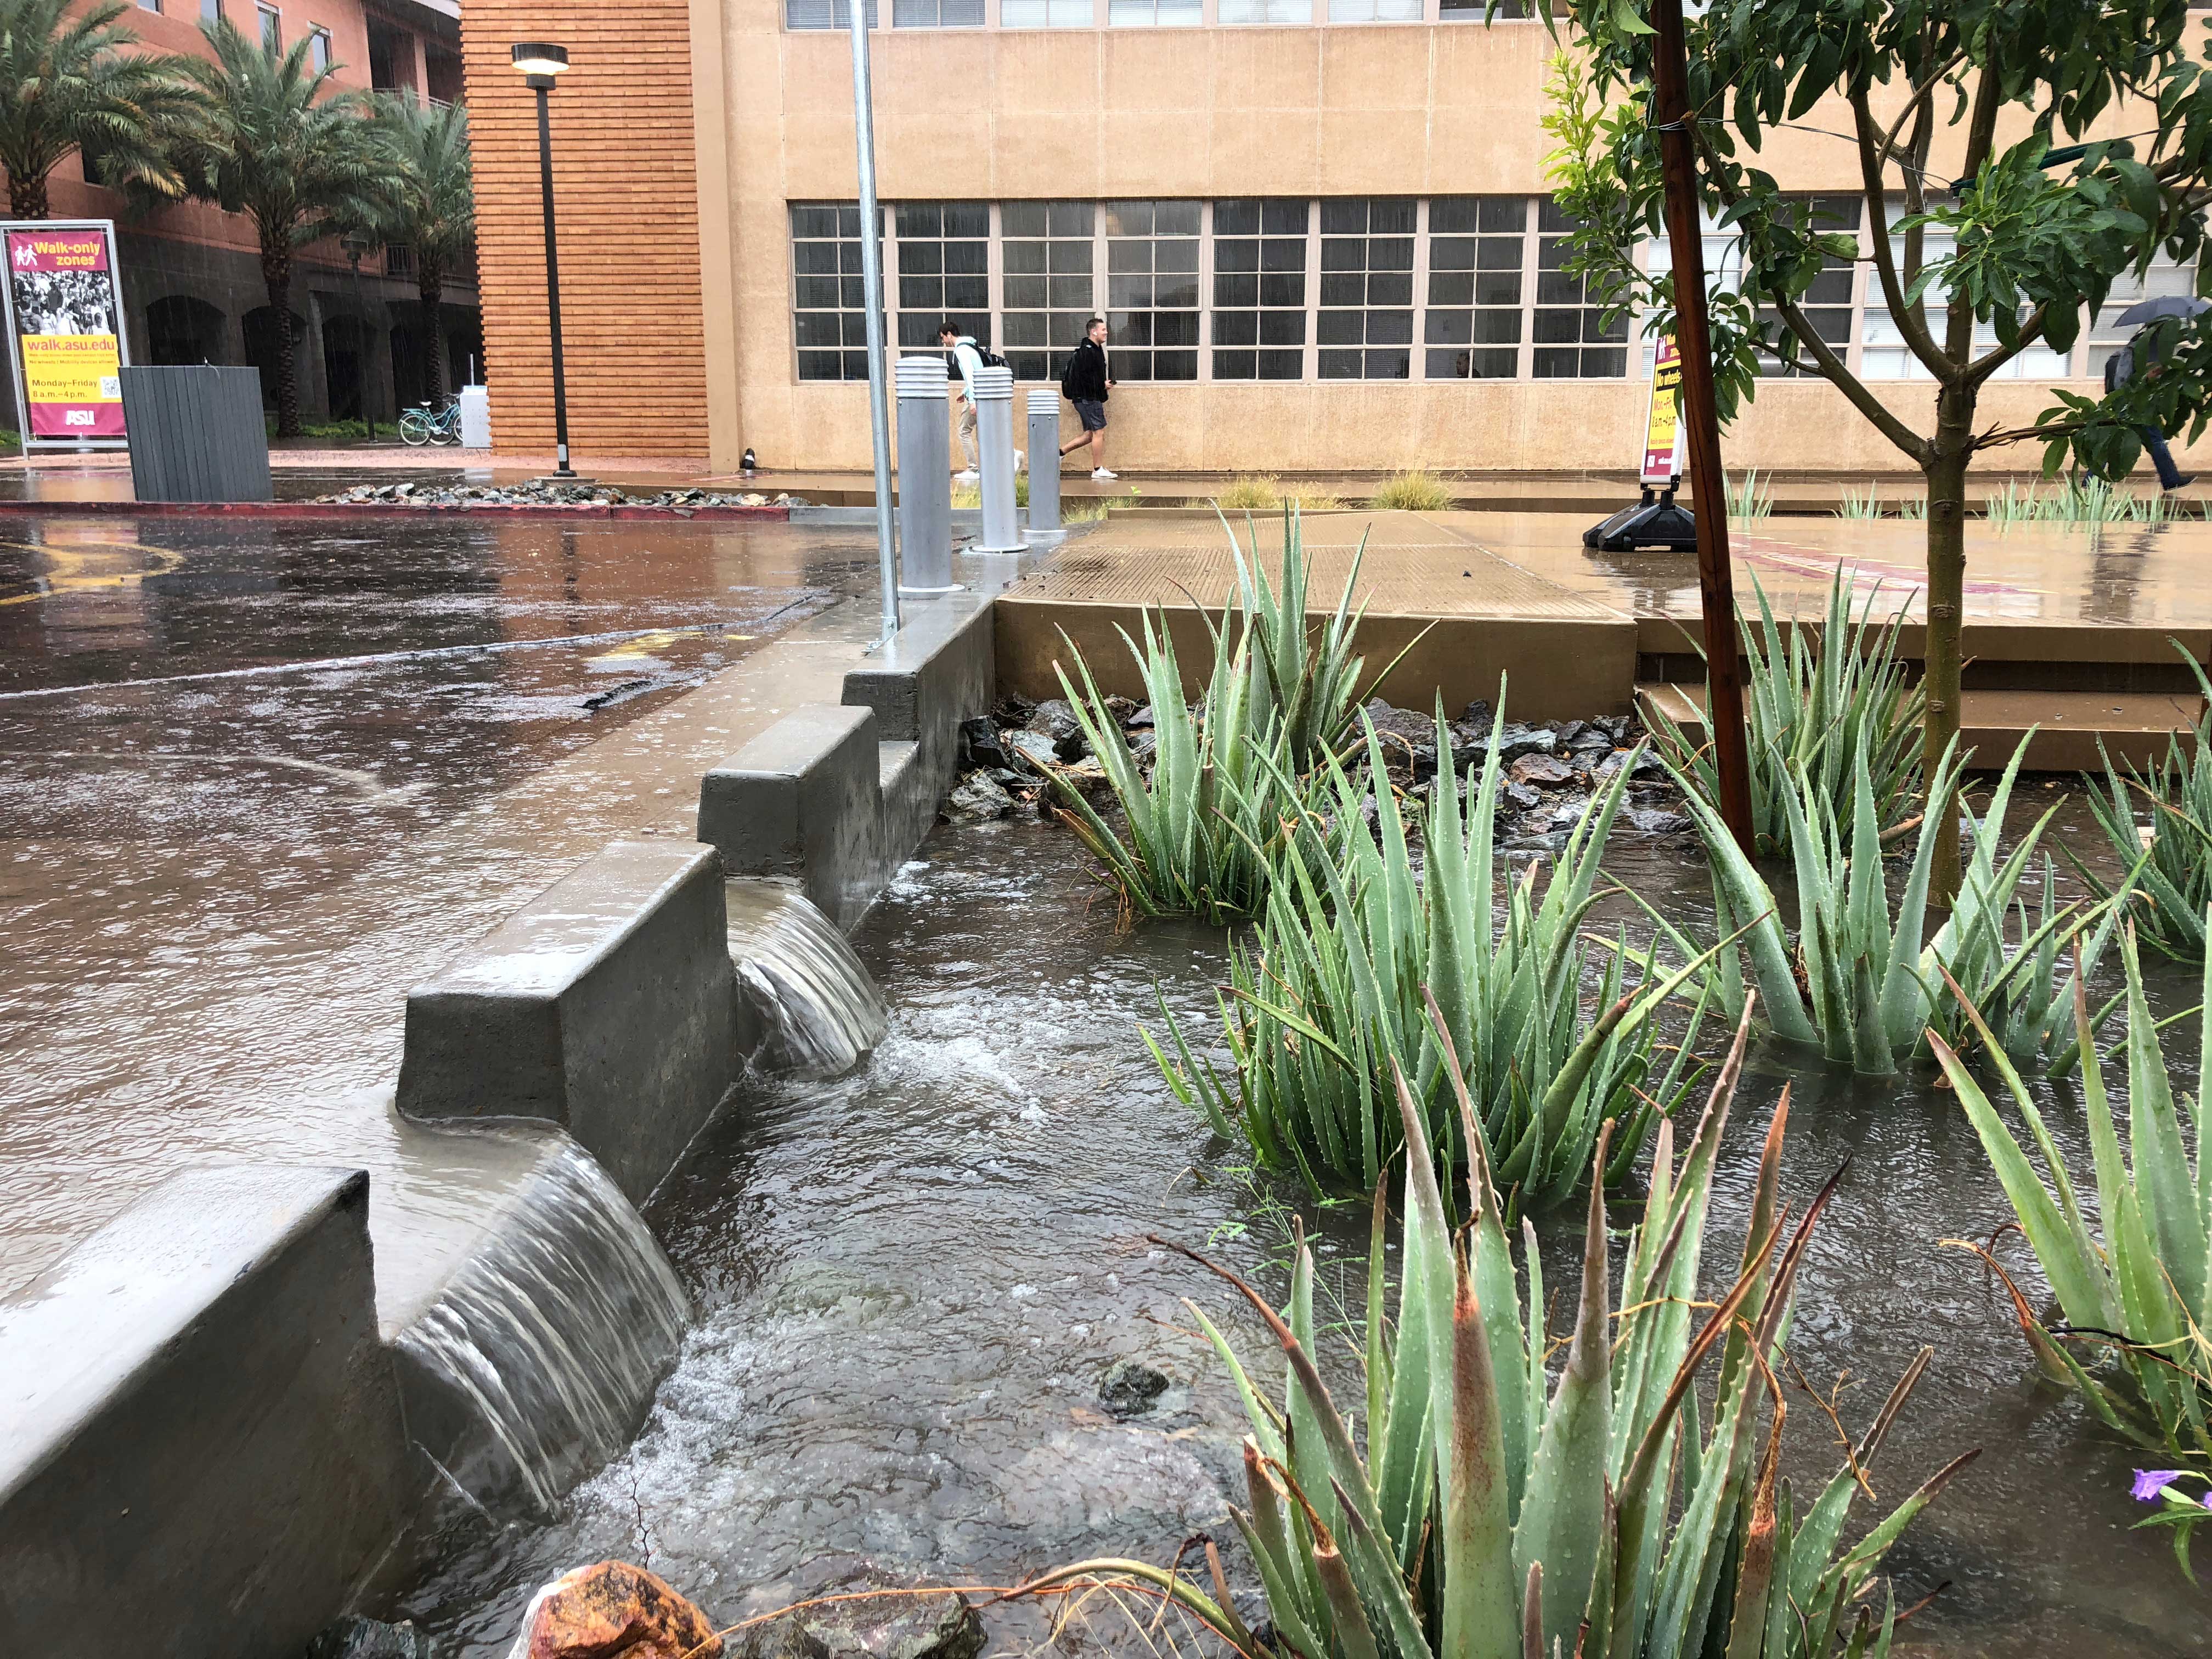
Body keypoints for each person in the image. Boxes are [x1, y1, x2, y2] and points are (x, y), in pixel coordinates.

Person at [2107, 326, 2194, 492]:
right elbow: (2150, 373)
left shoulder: (2137, 342)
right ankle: (2171, 480)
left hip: (2123, 398)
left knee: (2111, 438)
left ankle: (2091, 480)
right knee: (2155, 441)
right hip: (2137, 402)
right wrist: (2169, 369)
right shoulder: (2152, 344)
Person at [1058, 317, 1116, 480]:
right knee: (1099, 432)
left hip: (1087, 398)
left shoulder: (1094, 349)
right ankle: (1098, 470)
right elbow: (1084, 378)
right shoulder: (1087, 351)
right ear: (1094, 331)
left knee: (1090, 435)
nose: (1106, 332)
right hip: (1087, 399)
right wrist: (1102, 385)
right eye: (1103, 330)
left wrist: (1102, 384)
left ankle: (1060, 453)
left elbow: (1090, 376)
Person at [938, 320, 985, 482]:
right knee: (984, 434)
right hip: (983, 394)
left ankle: (973, 469)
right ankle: (1009, 455)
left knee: (964, 431)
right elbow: (978, 372)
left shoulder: (961, 350)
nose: (944, 342)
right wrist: (965, 392)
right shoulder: (970, 347)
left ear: (949, 335)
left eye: (943, 338)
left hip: (977, 396)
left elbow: (972, 374)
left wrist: (972, 400)